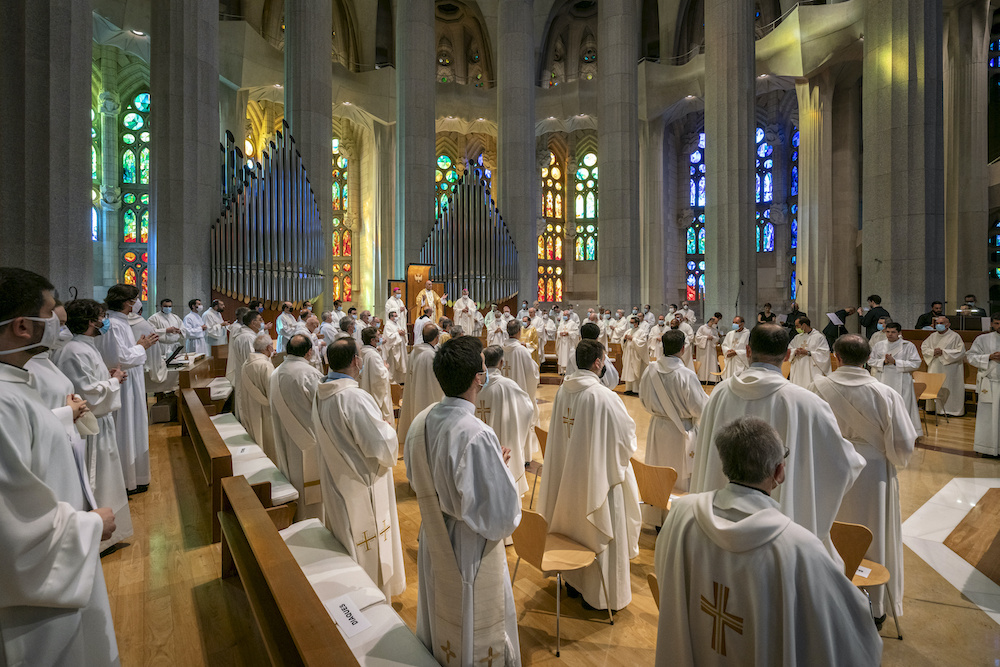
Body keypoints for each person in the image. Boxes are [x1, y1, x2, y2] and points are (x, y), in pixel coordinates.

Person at [654, 417, 883, 666]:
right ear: (778, 472)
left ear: (725, 465)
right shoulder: (799, 548)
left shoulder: (682, 514)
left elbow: (667, 574)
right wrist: (864, 605)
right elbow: (844, 632)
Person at [0, 267, 120, 666]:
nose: (58, 324)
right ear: (22, 326)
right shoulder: (4, 402)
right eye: (51, 313)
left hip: (61, 569)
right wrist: (89, 525)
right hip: (39, 596)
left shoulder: (18, 384)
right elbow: (11, 526)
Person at [690, 324, 865, 562]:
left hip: (719, 526)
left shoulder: (719, 393)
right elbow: (842, 465)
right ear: (787, 355)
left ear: (748, 351)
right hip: (779, 535)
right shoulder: (806, 402)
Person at [403, 336, 521, 666]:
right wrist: (501, 472)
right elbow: (501, 516)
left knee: (439, 613)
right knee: (470, 629)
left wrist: (489, 466)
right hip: (467, 547)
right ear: (478, 378)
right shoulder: (476, 433)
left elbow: (417, 477)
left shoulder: (421, 420)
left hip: (435, 535)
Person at [811, 334, 917, 626]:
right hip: (873, 474)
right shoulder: (885, 393)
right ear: (868, 358)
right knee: (872, 532)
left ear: (837, 356)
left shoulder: (816, 388)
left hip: (828, 468)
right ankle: (873, 606)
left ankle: (827, 597)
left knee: (828, 529)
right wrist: (888, 458)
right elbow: (905, 442)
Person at [538, 339, 641, 611]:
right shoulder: (604, 396)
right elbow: (627, 440)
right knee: (595, 524)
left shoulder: (564, 391)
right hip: (596, 480)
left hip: (567, 476)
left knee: (571, 523)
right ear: (598, 362)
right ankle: (598, 596)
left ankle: (573, 581)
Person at [314, 338, 405, 597]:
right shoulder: (354, 397)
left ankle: (350, 590)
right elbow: (380, 445)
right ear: (356, 360)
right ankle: (373, 595)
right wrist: (388, 429)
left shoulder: (322, 391)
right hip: (363, 484)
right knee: (368, 542)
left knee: (346, 538)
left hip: (337, 479)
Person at [56, 299, 133, 550]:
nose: (105, 320)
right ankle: (99, 536)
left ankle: (110, 532)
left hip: (101, 424)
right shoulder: (74, 350)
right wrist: (114, 381)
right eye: (102, 316)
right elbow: (88, 395)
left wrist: (109, 378)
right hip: (91, 427)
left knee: (106, 479)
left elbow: (91, 383)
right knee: (97, 481)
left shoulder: (86, 346)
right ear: (91, 321)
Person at [95, 284, 157, 493]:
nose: (138, 302)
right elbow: (120, 358)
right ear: (126, 302)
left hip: (132, 381)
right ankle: (128, 479)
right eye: (135, 298)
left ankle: (135, 476)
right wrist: (143, 346)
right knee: (127, 428)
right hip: (124, 383)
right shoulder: (114, 324)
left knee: (134, 426)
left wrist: (138, 346)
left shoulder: (120, 323)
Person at [639, 330, 707, 508]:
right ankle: (678, 513)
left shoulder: (650, 370)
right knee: (680, 474)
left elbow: (644, 401)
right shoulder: (686, 375)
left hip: (658, 427)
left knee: (659, 470)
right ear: (683, 349)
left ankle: (657, 512)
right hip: (681, 429)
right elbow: (699, 408)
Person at [269, 333, 324, 519]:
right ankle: (313, 522)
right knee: (311, 488)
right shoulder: (310, 374)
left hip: (284, 436)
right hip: (309, 440)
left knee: (291, 476)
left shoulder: (275, 372)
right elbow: (324, 407)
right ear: (309, 353)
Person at [477, 345, 532, 500]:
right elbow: (527, 410)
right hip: (504, 443)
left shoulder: (475, 384)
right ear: (501, 362)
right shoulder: (508, 386)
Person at [396, 324, 444, 444]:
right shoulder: (431, 356)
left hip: (416, 392)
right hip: (427, 396)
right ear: (437, 337)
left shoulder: (415, 352)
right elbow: (436, 382)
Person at [869, 323, 922, 431]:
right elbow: (871, 360)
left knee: (902, 407)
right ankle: (883, 430)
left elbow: (916, 363)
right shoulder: (879, 345)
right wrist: (883, 362)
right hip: (883, 378)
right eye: (888, 332)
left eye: (893, 332)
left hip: (902, 380)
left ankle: (904, 431)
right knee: (883, 406)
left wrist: (895, 362)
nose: (890, 334)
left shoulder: (907, 345)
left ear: (899, 333)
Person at [502, 319, 542, 462]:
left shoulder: (501, 349)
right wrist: (529, 395)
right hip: (520, 395)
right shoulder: (522, 351)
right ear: (519, 332)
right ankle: (523, 458)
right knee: (521, 425)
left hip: (504, 396)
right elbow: (532, 375)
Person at [238, 334, 276, 461]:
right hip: (265, 411)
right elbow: (272, 392)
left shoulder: (246, 363)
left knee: (256, 435)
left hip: (250, 407)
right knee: (268, 441)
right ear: (269, 347)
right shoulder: (265, 366)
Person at [921, 316, 967, 417]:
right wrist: (933, 351)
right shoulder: (932, 336)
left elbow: (961, 351)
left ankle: (950, 409)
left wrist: (944, 352)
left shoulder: (955, 336)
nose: (938, 325)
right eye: (937, 323)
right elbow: (924, 348)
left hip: (950, 367)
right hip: (935, 365)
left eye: (941, 323)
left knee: (949, 386)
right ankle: (933, 408)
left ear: (948, 324)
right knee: (935, 385)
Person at [969, 314, 1000, 456]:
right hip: (990, 383)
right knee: (987, 417)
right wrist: (989, 357)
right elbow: (971, 356)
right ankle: (987, 448)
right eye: (997, 323)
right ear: (992, 324)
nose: (999, 326)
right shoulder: (983, 339)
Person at [228, 310, 265, 421]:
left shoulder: (247, 335)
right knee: (249, 410)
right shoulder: (247, 338)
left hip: (245, 375)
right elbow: (252, 360)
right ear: (253, 323)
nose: (262, 322)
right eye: (260, 320)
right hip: (249, 378)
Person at [358, 326, 394, 425]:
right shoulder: (373, 355)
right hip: (374, 395)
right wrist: (386, 369)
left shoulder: (363, 352)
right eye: (378, 335)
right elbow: (379, 378)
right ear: (373, 340)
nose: (381, 337)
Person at [786, 316, 830, 388]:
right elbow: (789, 348)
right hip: (798, 368)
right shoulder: (797, 337)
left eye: (797, 326)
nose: (796, 328)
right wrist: (794, 351)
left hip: (811, 368)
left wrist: (808, 352)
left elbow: (824, 354)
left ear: (804, 325)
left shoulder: (819, 337)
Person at [621, 315, 649, 395]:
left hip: (636, 354)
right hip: (628, 354)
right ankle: (628, 389)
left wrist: (633, 339)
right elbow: (622, 341)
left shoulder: (641, 332)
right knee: (628, 372)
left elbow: (643, 343)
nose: (631, 324)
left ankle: (636, 389)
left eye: (632, 322)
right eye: (630, 322)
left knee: (635, 372)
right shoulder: (628, 331)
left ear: (637, 323)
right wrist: (625, 339)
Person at [383, 310, 408, 384]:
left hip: (400, 347)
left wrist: (403, 333)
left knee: (402, 364)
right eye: (395, 316)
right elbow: (389, 337)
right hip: (393, 349)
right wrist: (398, 333)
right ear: (391, 317)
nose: (397, 317)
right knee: (393, 365)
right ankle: (392, 381)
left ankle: (401, 380)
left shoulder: (396, 324)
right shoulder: (388, 325)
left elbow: (400, 331)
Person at [694, 316, 720, 383]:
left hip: (711, 349)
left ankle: (712, 379)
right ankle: (702, 378)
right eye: (715, 323)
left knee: (711, 362)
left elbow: (717, 338)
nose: (716, 324)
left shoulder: (714, 329)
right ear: (711, 321)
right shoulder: (702, 328)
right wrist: (706, 337)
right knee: (703, 363)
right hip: (703, 349)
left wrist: (713, 338)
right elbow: (697, 337)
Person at [555, 309, 580, 375]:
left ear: (569, 316)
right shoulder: (561, 324)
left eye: (565, 315)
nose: (564, 317)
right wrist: (559, 333)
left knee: (568, 356)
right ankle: (561, 371)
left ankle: (569, 371)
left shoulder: (573, 323)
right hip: (562, 343)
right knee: (562, 357)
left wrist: (568, 333)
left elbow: (576, 333)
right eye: (563, 315)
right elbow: (558, 331)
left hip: (569, 343)